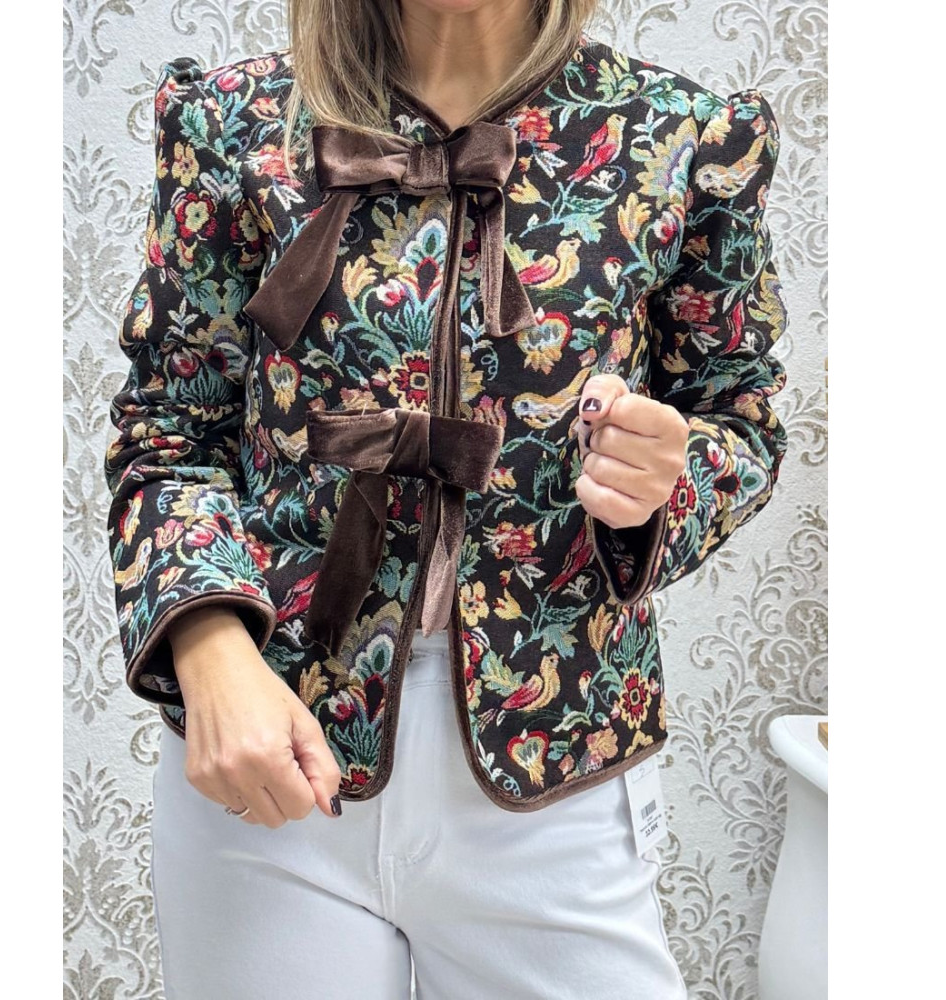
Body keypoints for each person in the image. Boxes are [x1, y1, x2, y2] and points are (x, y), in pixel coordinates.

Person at [103, 0, 789, 996]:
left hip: (553, 761)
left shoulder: (682, 135)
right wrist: (210, 653)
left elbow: (741, 413)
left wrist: (666, 483)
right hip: (268, 758)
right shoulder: (232, 122)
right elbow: (167, 428)